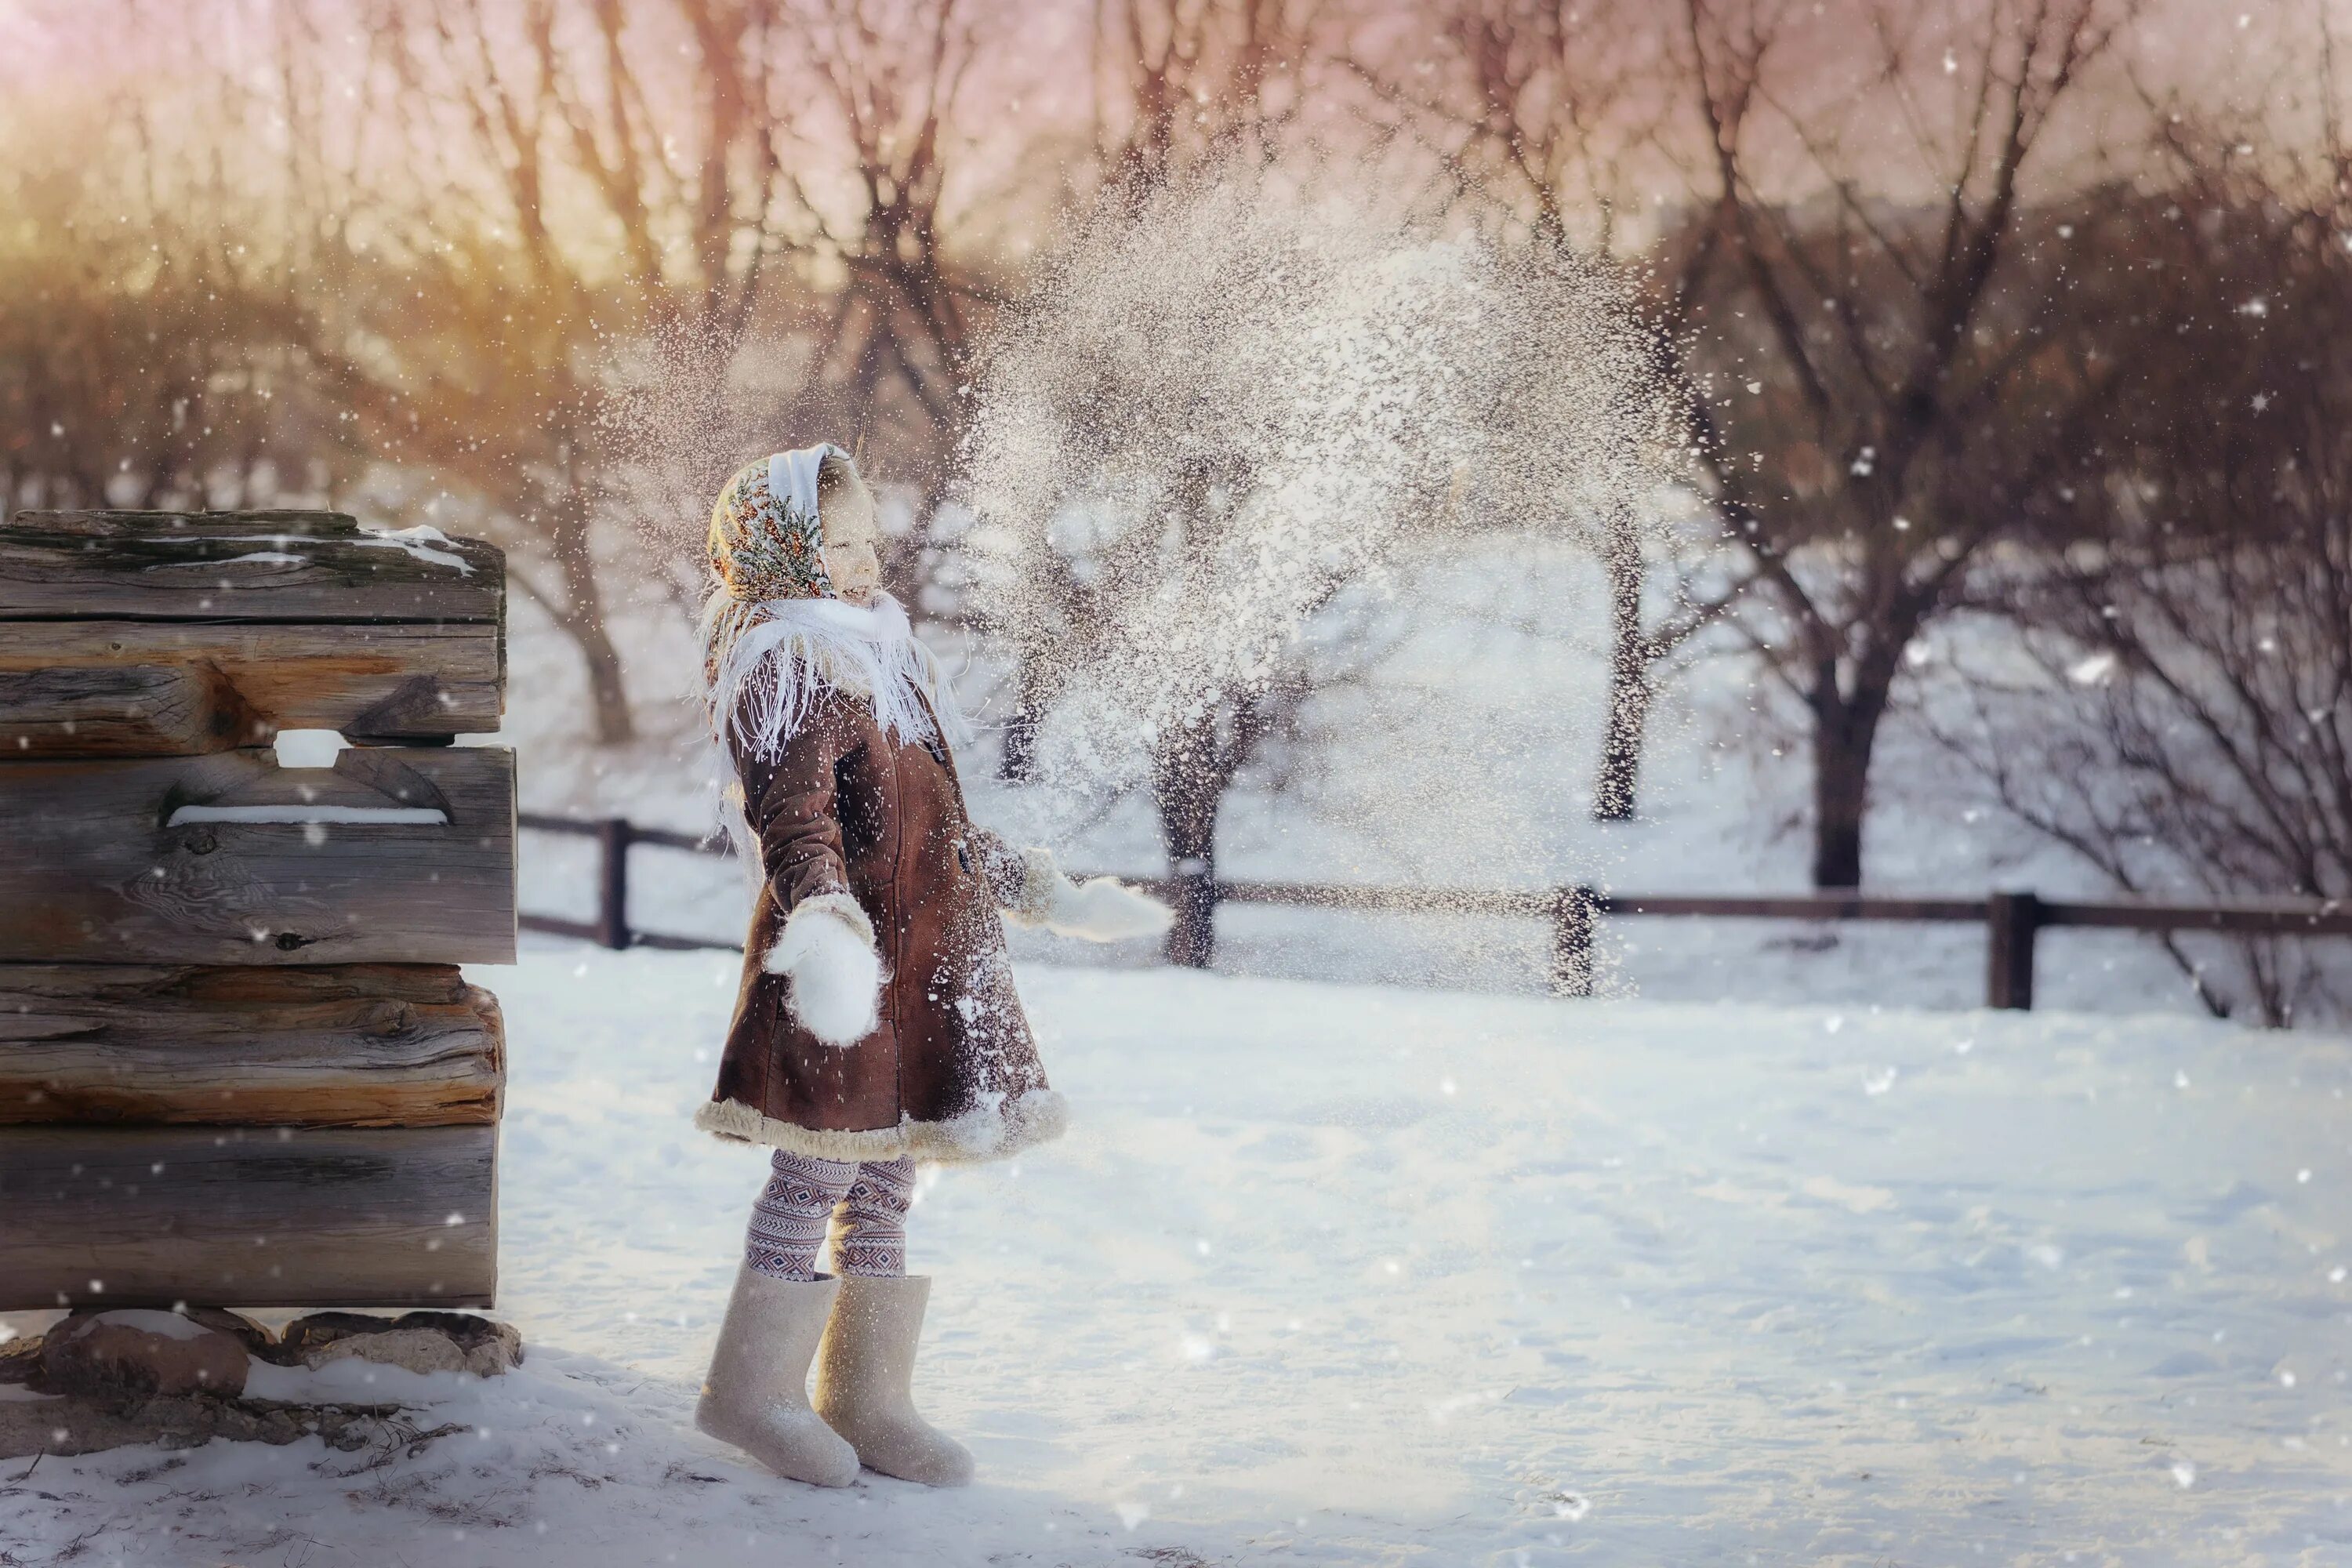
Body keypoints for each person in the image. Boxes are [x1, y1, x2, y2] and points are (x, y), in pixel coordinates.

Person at [689, 445, 1170, 1488]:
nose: (866, 562)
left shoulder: (881, 653)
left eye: (869, 541)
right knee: (817, 1165)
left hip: (921, 958)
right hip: (850, 964)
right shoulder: (792, 665)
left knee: (891, 1171)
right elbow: (794, 820)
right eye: (841, 545)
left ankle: (865, 1393)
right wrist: (822, 923)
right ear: (783, 553)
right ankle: (752, 1389)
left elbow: (935, 824)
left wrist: (1033, 886)